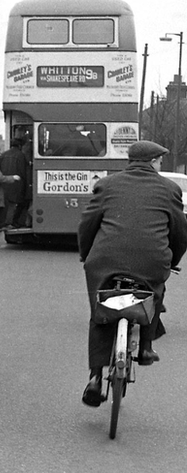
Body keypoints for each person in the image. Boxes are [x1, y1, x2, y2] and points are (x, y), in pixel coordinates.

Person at [78, 141, 187, 407]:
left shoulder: (108, 185)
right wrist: (172, 258)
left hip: (106, 261)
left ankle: (95, 377)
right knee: (155, 291)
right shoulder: (169, 189)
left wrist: (86, 254)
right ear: (153, 162)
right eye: (160, 161)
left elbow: (87, 224)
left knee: (100, 309)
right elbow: (180, 231)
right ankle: (147, 348)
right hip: (151, 262)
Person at [0, 137, 29, 228]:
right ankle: (12, 222)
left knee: (6, 205)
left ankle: (4, 223)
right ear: (20, 146)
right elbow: (23, 171)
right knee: (16, 204)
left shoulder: (3, 155)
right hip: (17, 184)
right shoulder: (21, 155)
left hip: (4, 183)